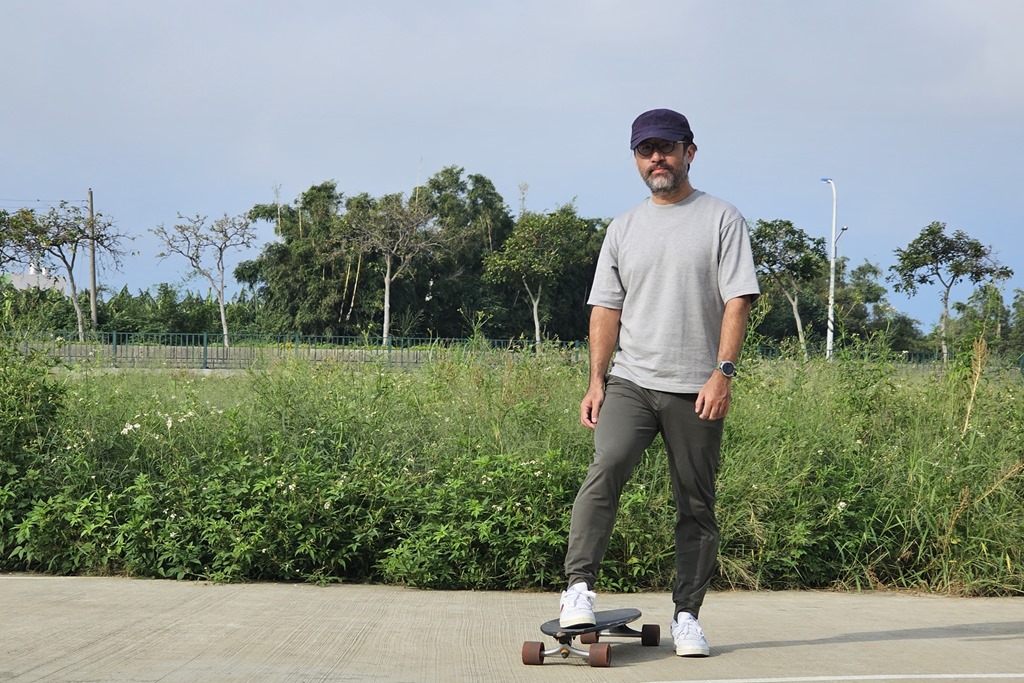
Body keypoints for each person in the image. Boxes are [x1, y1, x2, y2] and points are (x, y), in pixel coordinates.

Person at [558, 108, 760, 658]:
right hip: (632, 380)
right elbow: (605, 308)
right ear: (636, 159)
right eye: (645, 150)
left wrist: (723, 373)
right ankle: (578, 588)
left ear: (689, 152)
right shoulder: (623, 228)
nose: (656, 159)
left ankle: (687, 616)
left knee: (695, 501)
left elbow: (738, 300)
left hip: (696, 387)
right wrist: (596, 381)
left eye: (666, 148)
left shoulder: (721, 218)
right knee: (607, 467)